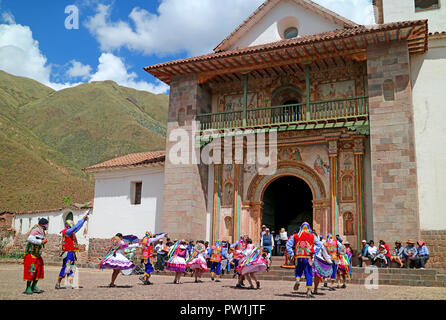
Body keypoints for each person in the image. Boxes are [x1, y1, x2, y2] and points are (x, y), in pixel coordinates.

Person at [286, 222, 319, 298]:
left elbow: (288, 245)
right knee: (309, 273)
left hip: (298, 257)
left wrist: (292, 254)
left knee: (298, 270)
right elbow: (319, 245)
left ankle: (298, 279)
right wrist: (314, 253)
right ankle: (309, 292)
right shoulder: (312, 236)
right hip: (308, 257)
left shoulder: (295, 236)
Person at [55, 213, 88, 289]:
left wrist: (83, 221)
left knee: (72, 269)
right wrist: (82, 219)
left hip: (71, 253)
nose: (73, 225)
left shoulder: (71, 232)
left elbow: (77, 228)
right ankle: (58, 282)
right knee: (66, 268)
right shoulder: (67, 232)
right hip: (68, 253)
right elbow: (76, 227)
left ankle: (69, 284)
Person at [23, 218, 48, 295]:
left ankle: (34, 286)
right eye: (46, 224)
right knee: (31, 271)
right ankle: (28, 287)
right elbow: (30, 239)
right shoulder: (36, 229)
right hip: (31, 255)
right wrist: (41, 241)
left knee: (39, 270)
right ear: (43, 224)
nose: (47, 226)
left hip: (37, 255)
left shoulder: (41, 231)